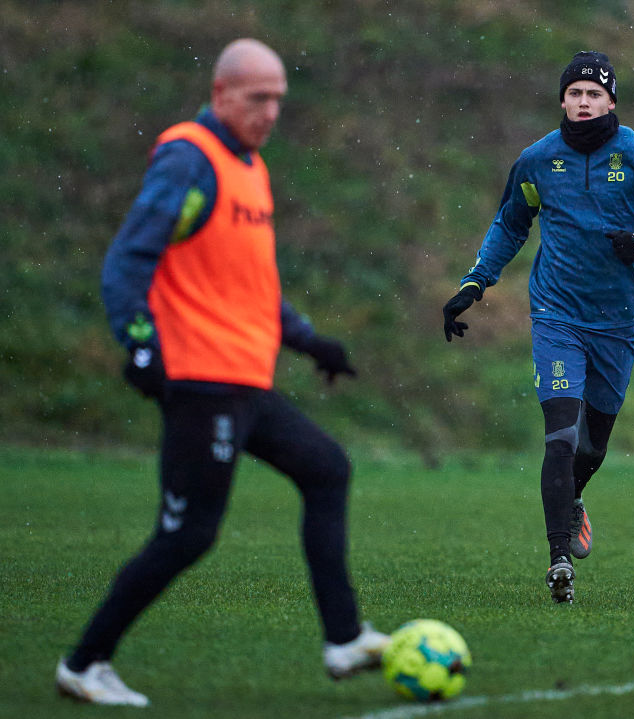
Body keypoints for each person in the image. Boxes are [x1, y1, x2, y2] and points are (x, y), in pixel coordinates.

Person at [55, 39, 389, 707]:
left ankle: (344, 636)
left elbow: (251, 287)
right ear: (221, 95)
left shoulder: (250, 169)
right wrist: (141, 345)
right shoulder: (189, 159)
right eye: (257, 98)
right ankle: (84, 663)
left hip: (244, 380)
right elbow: (126, 262)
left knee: (327, 467)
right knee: (187, 534)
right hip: (201, 383)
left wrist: (311, 342)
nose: (270, 112)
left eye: (278, 101)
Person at [443, 51, 634, 604]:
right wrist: (474, 283)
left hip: (615, 324)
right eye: (575, 93)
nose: (583, 103)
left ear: (611, 102)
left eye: (594, 95)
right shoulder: (538, 160)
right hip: (556, 316)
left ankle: (573, 500)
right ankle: (559, 559)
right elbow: (510, 223)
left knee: (592, 447)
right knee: (559, 437)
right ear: (562, 100)